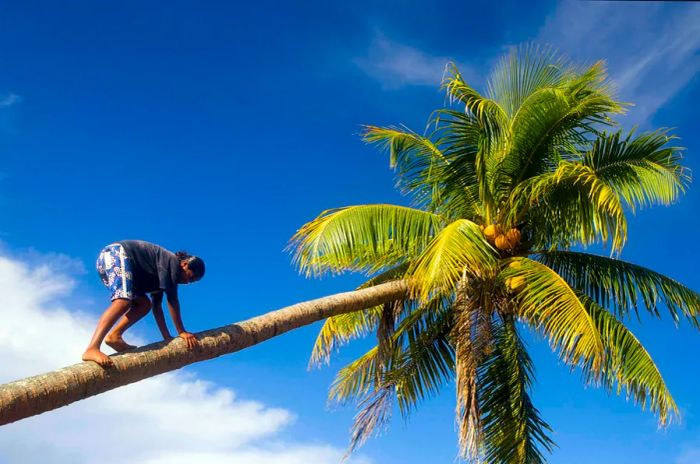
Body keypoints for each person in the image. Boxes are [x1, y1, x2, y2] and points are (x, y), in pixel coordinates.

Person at [82, 240, 205, 367]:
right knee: (122, 301)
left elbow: (157, 308)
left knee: (145, 305)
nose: (187, 282)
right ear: (184, 264)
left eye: (192, 282)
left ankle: (114, 336)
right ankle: (92, 348)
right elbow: (172, 300)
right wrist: (182, 331)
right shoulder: (171, 262)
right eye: (190, 277)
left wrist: (167, 337)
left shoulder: (162, 277)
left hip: (125, 268)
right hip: (116, 254)